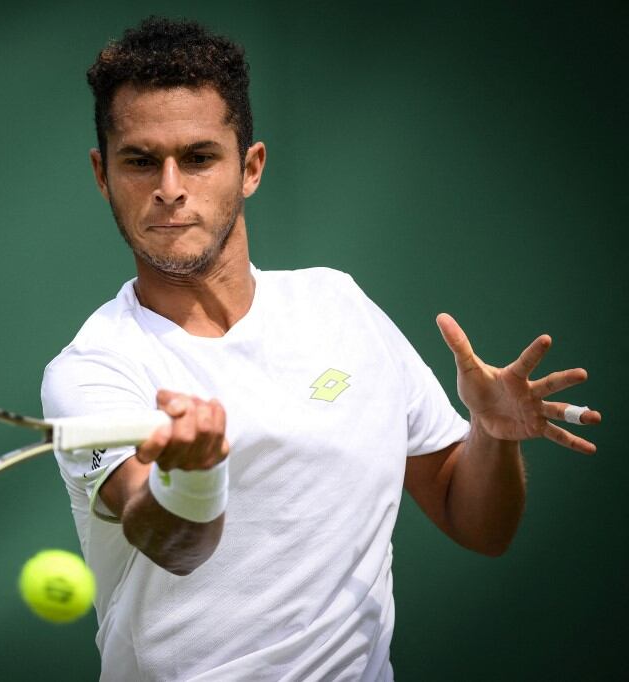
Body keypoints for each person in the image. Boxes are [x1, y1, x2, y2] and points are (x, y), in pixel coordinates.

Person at [40, 16, 601, 681]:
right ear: (103, 174)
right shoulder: (91, 371)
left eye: (198, 156)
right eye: (140, 160)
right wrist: (191, 476)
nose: (169, 185)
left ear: (250, 168)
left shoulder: (339, 306)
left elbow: (477, 523)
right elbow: (170, 543)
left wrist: (493, 433)